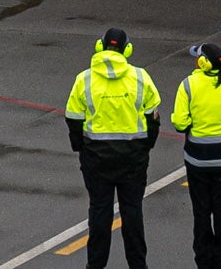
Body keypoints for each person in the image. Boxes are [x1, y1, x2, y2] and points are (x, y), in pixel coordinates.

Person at [64, 27, 160, 269]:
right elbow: (154, 119)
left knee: (99, 213)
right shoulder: (140, 77)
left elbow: (73, 118)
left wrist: (81, 148)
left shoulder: (84, 79)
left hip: (97, 159)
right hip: (132, 159)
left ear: (100, 46)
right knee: (133, 213)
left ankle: (95, 266)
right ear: (127, 49)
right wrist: (145, 147)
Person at [171, 43, 221, 269]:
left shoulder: (187, 86)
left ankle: (204, 260)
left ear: (202, 62)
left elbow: (179, 122)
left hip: (197, 162)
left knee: (201, 212)